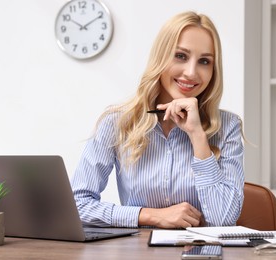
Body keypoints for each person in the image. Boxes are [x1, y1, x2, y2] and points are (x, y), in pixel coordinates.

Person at [71, 11, 244, 229]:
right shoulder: (116, 123)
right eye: (180, 56)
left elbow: (224, 220)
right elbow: (77, 205)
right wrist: (150, 216)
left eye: (204, 61)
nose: (191, 72)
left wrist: (198, 136)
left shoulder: (228, 127)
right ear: (160, 57)